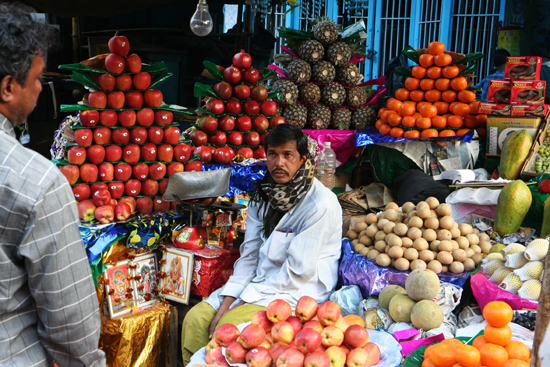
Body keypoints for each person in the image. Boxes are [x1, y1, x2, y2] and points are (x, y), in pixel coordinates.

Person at [181, 124, 343, 365]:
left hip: (294, 292)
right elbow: (250, 254)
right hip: (258, 284)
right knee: (194, 320)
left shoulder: (320, 205)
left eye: (288, 155)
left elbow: (297, 271)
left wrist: (242, 302)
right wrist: (228, 300)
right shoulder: (263, 194)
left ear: (302, 159)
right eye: (273, 154)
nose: (279, 162)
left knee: (228, 327)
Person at [0, 4, 106, 366]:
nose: (41, 89)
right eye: (39, 78)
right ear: (8, 88)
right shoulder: (37, 182)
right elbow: (70, 324)